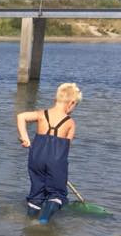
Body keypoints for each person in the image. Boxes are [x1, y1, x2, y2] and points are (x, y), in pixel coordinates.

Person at [16, 82, 82, 224]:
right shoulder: (70, 122)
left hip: (36, 156)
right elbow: (66, 148)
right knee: (57, 194)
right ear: (71, 103)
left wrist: (25, 138)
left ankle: (30, 219)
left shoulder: (41, 114)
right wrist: (60, 171)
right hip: (56, 158)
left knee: (37, 191)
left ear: (55, 100)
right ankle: (43, 221)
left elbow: (21, 116)